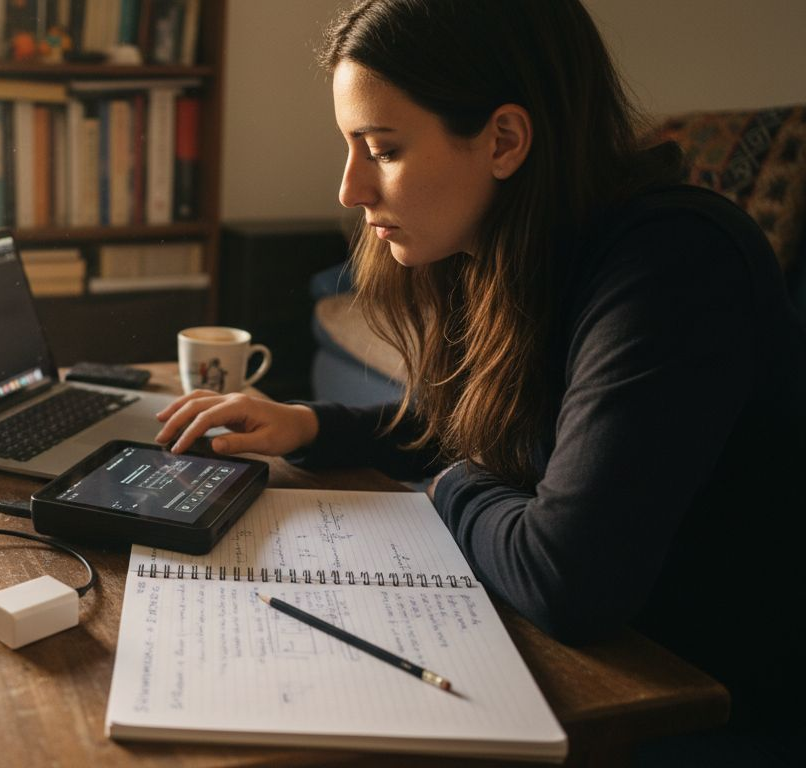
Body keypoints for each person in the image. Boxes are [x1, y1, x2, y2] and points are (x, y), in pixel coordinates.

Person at [155, 0, 805, 760]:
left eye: (382, 149)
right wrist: (312, 424)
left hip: (709, 702)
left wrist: (453, 486)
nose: (350, 189)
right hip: (626, 662)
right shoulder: (506, 245)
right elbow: (475, 425)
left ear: (504, 140)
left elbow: (566, 579)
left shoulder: (673, 265)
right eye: (350, 147)